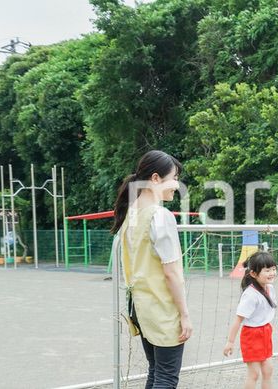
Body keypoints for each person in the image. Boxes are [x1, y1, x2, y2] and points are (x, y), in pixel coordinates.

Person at [112, 150, 192, 388]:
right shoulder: (160, 215)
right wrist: (185, 314)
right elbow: (171, 272)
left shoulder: (132, 214)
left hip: (141, 307)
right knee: (166, 377)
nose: (177, 185)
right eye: (174, 178)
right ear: (155, 179)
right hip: (161, 307)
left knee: (156, 372)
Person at [223, 251, 278, 389]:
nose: (272, 273)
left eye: (273, 269)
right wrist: (230, 342)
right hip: (252, 335)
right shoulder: (250, 295)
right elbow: (238, 320)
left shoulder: (270, 288)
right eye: (267, 270)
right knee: (254, 374)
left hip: (265, 331)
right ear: (253, 274)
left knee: (268, 370)